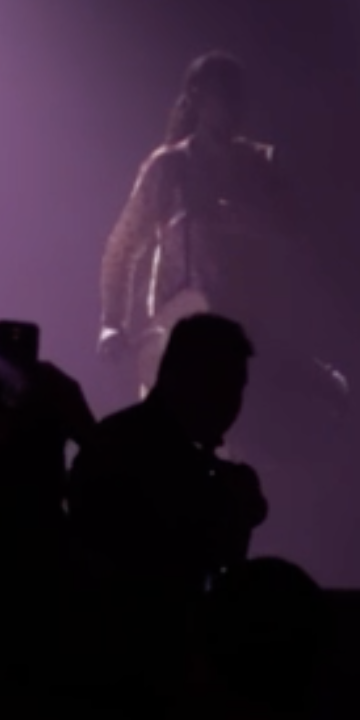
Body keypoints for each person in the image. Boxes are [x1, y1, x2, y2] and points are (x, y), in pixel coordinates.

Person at [96, 52, 299, 397]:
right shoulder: (169, 168)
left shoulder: (262, 165)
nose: (231, 104)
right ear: (197, 97)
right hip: (178, 339)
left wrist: (253, 221)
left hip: (247, 339)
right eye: (222, 93)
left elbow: (296, 237)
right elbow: (123, 247)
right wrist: (112, 322)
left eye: (237, 94)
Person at [67, 313, 268, 605]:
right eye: (218, 385)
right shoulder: (129, 452)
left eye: (236, 388)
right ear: (179, 377)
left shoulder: (118, 439)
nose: (231, 402)